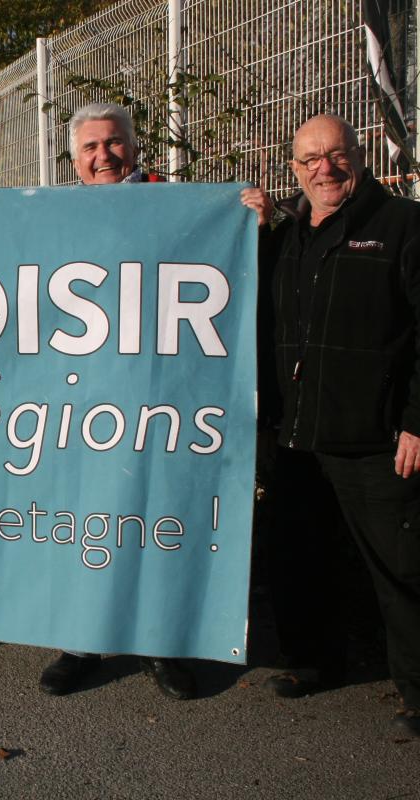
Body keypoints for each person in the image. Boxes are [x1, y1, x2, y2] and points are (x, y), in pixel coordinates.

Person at [255, 113, 420, 737]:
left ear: (361, 153)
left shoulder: (402, 227)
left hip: (377, 439)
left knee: (401, 568)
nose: (325, 169)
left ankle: (416, 693)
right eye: (310, 159)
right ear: (294, 168)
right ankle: (312, 662)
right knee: (299, 556)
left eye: (336, 154)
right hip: (298, 435)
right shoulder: (287, 237)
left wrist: (417, 424)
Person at [36, 103, 198, 701]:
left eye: (114, 143)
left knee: (154, 515)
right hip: (79, 396)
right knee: (85, 516)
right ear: (74, 158)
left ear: (134, 147)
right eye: (90, 147)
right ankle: (81, 642)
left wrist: (249, 220)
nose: (103, 156)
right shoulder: (49, 213)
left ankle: (161, 645)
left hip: (157, 392)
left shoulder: (176, 202)